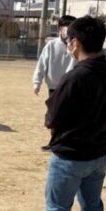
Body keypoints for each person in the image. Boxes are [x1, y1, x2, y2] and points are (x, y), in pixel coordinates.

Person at [24, 15, 106, 211]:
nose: (67, 45)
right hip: (99, 153)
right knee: (93, 209)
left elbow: (52, 118)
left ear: (76, 42)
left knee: (57, 210)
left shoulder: (75, 77)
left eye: (69, 40)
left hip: (70, 155)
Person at [32, 15, 76, 150]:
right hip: (54, 87)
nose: (69, 31)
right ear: (60, 29)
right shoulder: (51, 45)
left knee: (70, 115)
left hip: (71, 87)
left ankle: (67, 142)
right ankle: (54, 142)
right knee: (54, 116)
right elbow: (41, 64)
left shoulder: (77, 47)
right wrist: (37, 82)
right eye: (66, 28)